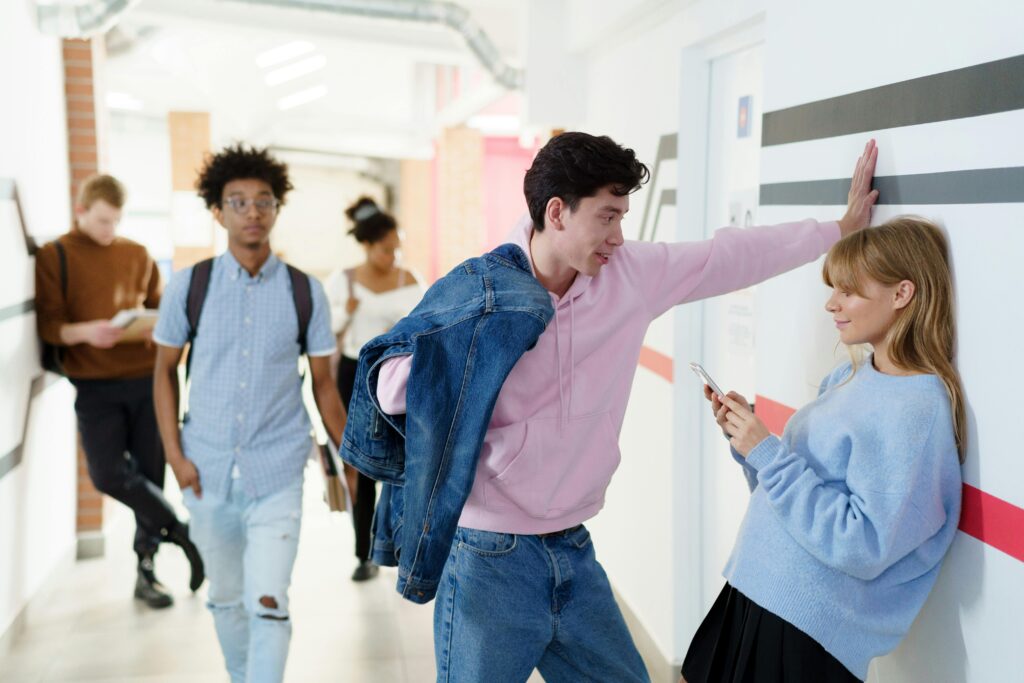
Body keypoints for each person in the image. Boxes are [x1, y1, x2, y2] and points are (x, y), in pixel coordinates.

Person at [369, 132, 880, 681]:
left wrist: (837, 232)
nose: (618, 236)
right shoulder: (482, 290)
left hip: (573, 549)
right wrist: (477, 346)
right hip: (486, 557)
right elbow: (389, 387)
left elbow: (726, 256)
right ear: (558, 212)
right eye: (607, 217)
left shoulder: (631, 276)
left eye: (623, 218)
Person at [681, 217, 964, 683]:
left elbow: (864, 544)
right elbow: (786, 498)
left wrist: (768, 453)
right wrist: (751, 445)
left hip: (803, 627)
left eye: (848, 291)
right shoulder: (850, 376)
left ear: (902, 294)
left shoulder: (918, 409)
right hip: (757, 589)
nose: (831, 304)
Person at [151, 145, 351, 683]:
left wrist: (352, 457)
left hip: (279, 469)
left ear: (277, 209)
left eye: (263, 201)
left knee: (269, 600)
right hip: (204, 470)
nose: (253, 212)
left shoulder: (306, 292)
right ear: (217, 212)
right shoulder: (188, 288)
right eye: (238, 202)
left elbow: (325, 384)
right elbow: (163, 371)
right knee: (225, 599)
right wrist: (175, 455)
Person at [34, 173, 203, 609]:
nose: (110, 231)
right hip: (94, 383)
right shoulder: (56, 256)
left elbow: (158, 309)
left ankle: (146, 573)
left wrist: (150, 329)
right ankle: (178, 527)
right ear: (81, 211)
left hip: (147, 378)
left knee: (150, 472)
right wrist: (87, 332)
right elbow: (50, 326)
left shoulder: (136, 253)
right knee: (108, 473)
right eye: (102, 221)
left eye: (116, 221)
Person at [325, 196, 423, 582]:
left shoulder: (410, 280)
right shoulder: (343, 281)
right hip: (356, 374)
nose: (392, 256)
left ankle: (406, 546)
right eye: (385, 249)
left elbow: (425, 326)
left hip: (399, 375)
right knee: (363, 468)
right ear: (367, 246)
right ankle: (364, 552)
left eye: (396, 248)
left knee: (405, 462)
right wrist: (346, 311)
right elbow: (327, 334)